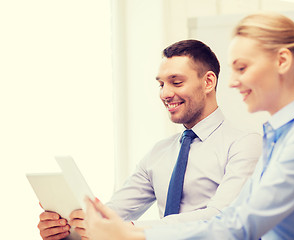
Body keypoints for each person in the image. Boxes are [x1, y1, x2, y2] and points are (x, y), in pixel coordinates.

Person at [83, 12, 294, 240]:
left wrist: (135, 234)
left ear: (282, 61)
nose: (232, 82)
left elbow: (240, 225)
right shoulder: (277, 135)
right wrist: (81, 223)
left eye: (242, 68)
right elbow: (233, 217)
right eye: (161, 84)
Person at [37, 40, 261, 240]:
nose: (165, 94)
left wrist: (129, 231)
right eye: (161, 84)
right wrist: (69, 230)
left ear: (208, 82)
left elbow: (220, 217)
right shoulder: (159, 153)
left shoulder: (245, 144)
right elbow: (113, 213)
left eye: (176, 82)